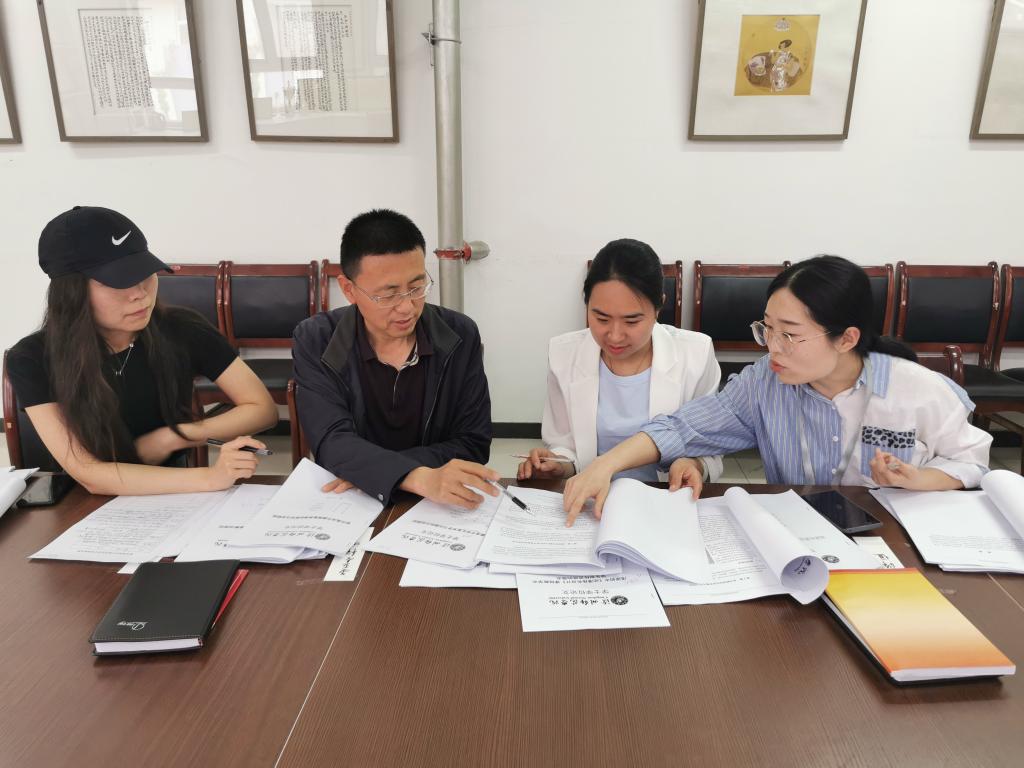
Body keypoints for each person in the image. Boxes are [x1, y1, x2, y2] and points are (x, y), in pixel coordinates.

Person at [562, 255, 992, 525]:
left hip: (896, 540)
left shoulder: (916, 388)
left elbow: (971, 461)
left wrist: (920, 478)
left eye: (790, 334)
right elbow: (682, 428)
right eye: (767, 329)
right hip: (801, 534)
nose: (773, 347)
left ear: (846, 338)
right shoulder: (764, 384)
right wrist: (605, 465)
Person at [6, 206, 278, 496]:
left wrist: (173, 437)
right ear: (72, 292)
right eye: (118, 282)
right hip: (78, 502)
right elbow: (89, 473)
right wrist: (211, 478)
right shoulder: (32, 358)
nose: (140, 293)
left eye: (145, 274)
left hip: (173, 493)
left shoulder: (182, 328)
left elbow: (262, 409)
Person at [292, 209, 496, 509]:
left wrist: (378, 471)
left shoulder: (459, 334)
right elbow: (331, 441)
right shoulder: (317, 339)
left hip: (435, 502)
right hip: (351, 501)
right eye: (388, 295)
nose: (407, 308)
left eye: (416, 287)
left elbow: (473, 442)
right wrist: (413, 476)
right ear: (349, 289)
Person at [517, 238, 722, 486]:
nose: (614, 336)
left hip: (664, 496)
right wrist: (557, 464)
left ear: (659, 306)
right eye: (601, 319)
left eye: (631, 321)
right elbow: (564, 446)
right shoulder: (564, 355)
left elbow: (710, 449)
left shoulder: (696, 355)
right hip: (591, 496)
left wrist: (695, 465)